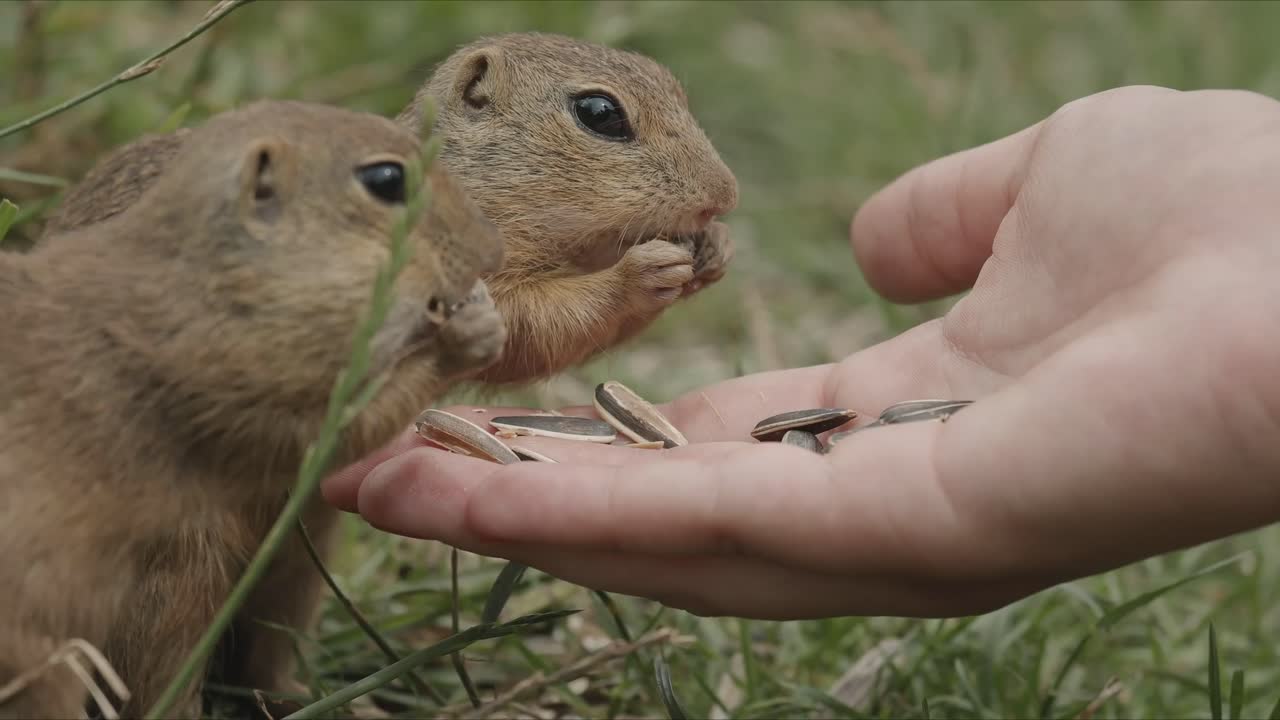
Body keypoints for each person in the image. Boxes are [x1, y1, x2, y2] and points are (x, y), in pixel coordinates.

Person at [322, 85, 1280, 619]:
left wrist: (629, 300)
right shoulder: (406, 228)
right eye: (605, 121)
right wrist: (615, 291)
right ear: (476, 103)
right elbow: (493, 334)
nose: (718, 185)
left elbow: (521, 340)